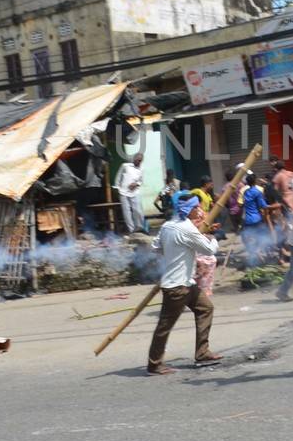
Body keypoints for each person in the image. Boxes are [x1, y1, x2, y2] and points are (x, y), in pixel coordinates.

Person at [145, 197, 222, 375]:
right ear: (189, 210)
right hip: (177, 287)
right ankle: (154, 364)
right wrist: (211, 236)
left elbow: (156, 247)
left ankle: (202, 352)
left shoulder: (167, 226)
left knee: (205, 308)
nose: (199, 209)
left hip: (186, 282)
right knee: (164, 326)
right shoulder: (187, 229)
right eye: (196, 207)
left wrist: (172, 256)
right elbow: (209, 249)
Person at [240, 173, 272, 263]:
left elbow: (244, 204)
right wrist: (275, 206)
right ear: (254, 181)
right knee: (264, 236)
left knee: (248, 237)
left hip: (247, 219)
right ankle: (258, 251)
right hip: (256, 219)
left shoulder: (246, 192)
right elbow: (263, 206)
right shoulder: (257, 192)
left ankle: (253, 254)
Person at [115, 152, 146, 234]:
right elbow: (118, 177)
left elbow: (141, 181)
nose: (139, 162)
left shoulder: (142, 168)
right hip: (123, 192)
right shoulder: (125, 166)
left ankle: (139, 228)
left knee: (138, 210)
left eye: (141, 161)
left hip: (134, 192)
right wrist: (118, 188)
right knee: (127, 212)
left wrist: (136, 184)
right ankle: (131, 230)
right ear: (134, 159)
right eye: (138, 160)